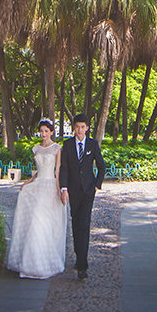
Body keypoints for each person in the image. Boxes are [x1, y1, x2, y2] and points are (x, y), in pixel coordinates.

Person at [6, 118, 67, 279]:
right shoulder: (36, 149)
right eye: (41, 131)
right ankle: (30, 262)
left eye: (46, 131)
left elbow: (57, 171)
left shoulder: (57, 148)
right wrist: (28, 181)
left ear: (51, 132)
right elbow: (38, 171)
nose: (43, 134)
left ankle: (45, 261)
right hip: (38, 185)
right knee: (35, 221)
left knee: (45, 223)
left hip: (50, 187)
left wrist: (60, 190)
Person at [59, 113, 105, 280]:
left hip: (87, 191)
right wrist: (63, 188)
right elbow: (64, 168)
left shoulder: (92, 144)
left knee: (84, 225)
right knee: (76, 223)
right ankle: (79, 257)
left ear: (87, 128)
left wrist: (96, 185)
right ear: (74, 128)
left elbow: (101, 166)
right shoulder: (68, 145)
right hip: (72, 190)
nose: (80, 130)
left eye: (82, 127)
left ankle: (83, 266)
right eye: (77, 127)